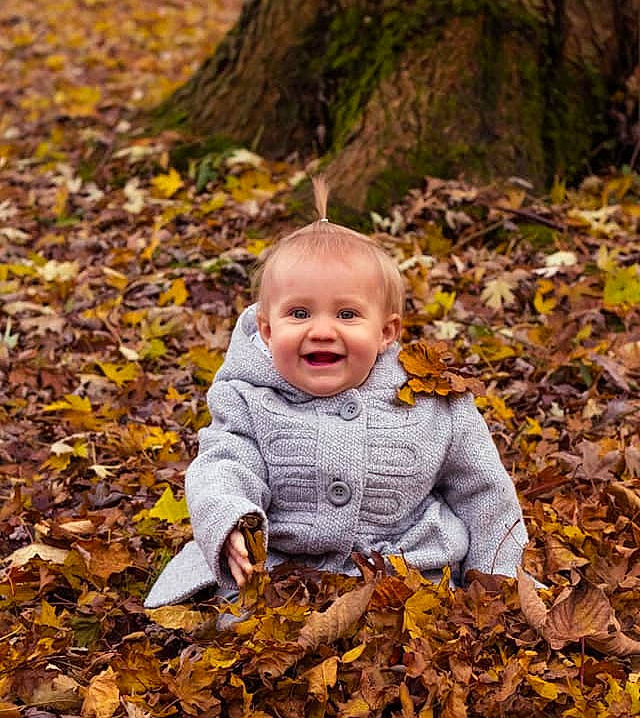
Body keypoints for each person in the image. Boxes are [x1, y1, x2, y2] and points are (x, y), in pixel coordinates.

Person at [144, 177, 528, 610]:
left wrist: (499, 579)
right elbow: (224, 464)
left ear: (386, 332)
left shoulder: (432, 401)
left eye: (347, 314)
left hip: (405, 577)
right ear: (267, 330)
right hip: (282, 573)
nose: (322, 331)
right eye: (299, 313)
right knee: (235, 621)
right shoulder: (249, 396)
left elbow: (484, 491)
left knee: (419, 628)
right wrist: (231, 521)